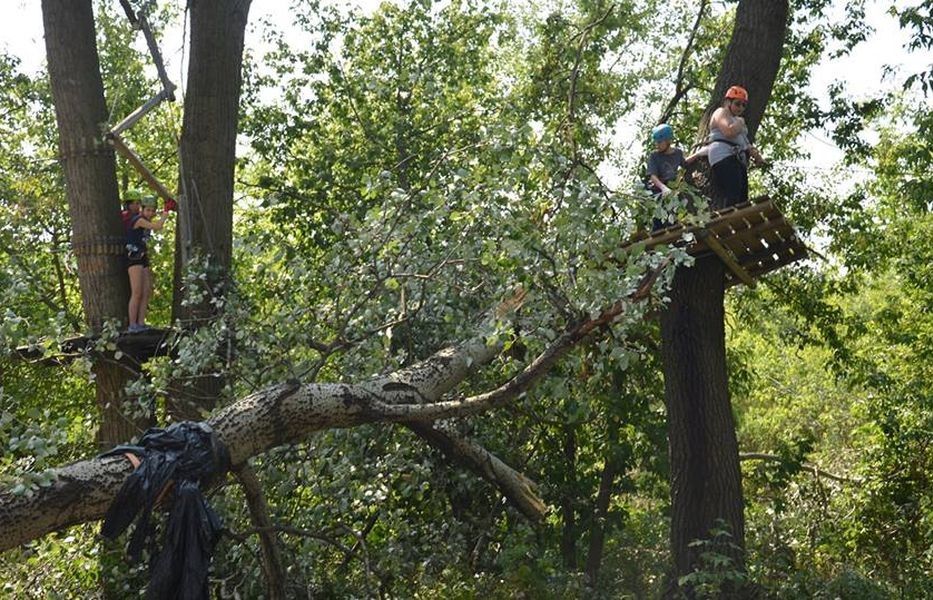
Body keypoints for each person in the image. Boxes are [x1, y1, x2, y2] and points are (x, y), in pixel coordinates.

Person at [706, 85, 767, 206]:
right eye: (737, 104)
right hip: (723, 155)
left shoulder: (738, 121)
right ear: (728, 102)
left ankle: (737, 219)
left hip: (737, 158)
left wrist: (757, 156)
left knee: (742, 196)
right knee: (733, 192)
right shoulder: (721, 112)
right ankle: (728, 218)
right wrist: (740, 122)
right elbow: (728, 132)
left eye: (744, 105)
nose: (741, 108)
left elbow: (745, 143)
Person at [645, 123, 703, 230]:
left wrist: (698, 154)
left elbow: (685, 163)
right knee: (659, 216)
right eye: (656, 142)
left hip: (672, 189)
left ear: (668, 141)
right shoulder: (654, 156)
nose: (657, 145)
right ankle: (657, 232)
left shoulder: (677, 153)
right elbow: (652, 175)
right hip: (658, 188)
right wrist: (663, 188)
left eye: (659, 142)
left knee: (676, 213)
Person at [126, 195, 166, 333]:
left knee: (146, 291)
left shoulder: (146, 220)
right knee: (137, 292)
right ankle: (132, 325)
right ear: (142, 210)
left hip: (143, 257)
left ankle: (141, 323)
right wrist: (166, 212)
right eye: (148, 210)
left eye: (152, 210)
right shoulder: (139, 220)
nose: (150, 213)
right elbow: (158, 226)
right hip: (134, 258)